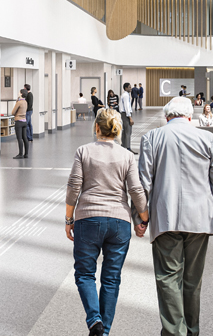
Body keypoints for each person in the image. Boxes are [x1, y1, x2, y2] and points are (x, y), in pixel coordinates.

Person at [138, 96, 213, 336]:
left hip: (165, 217)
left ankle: (174, 332)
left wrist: (141, 217)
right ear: (190, 116)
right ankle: (192, 331)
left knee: (168, 277)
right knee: (192, 279)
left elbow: (143, 183)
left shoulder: (152, 138)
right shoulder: (208, 138)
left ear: (166, 116)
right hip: (200, 217)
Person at [66, 109, 149, 336]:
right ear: (118, 130)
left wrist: (68, 219)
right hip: (119, 223)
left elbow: (74, 186)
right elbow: (135, 190)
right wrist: (144, 217)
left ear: (96, 128)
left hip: (88, 219)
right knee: (111, 279)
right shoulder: (126, 156)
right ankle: (104, 332)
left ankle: (94, 320)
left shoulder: (83, 151)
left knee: (84, 274)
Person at [11, 91, 29, 159]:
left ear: (21, 94)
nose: (18, 93)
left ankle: (20, 154)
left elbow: (13, 112)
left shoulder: (19, 102)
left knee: (19, 138)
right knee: (25, 137)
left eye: (19, 92)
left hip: (18, 122)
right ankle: (26, 154)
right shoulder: (25, 102)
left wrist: (17, 102)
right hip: (24, 121)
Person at [119, 84, 135, 153]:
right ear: (126, 88)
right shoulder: (125, 95)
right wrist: (130, 117)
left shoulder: (124, 95)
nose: (131, 88)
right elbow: (127, 107)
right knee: (128, 131)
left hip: (124, 114)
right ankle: (128, 148)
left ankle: (123, 147)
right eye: (129, 87)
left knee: (125, 131)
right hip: (126, 114)